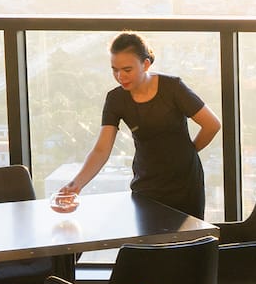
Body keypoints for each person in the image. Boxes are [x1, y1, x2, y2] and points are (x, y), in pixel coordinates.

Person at [58, 33, 222, 219]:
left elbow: (212, 125)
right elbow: (101, 150)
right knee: (147, 244)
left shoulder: (173, 88)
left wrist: (188, 151)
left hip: (184, 183)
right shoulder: (116, 99)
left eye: (127, 70)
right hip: (146, 184)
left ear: (145, 64)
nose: (120, 76)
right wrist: (76, 185)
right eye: (115, 70)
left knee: (187, 244)